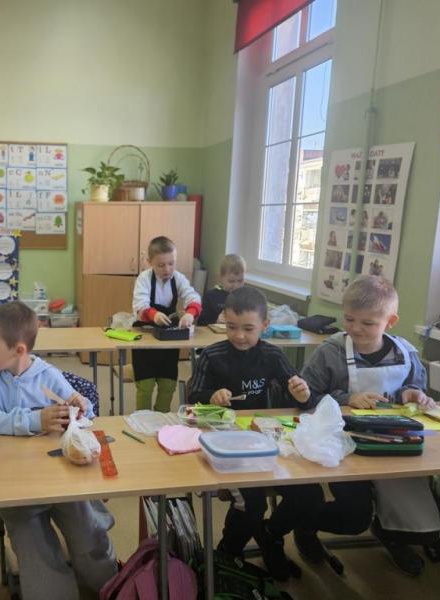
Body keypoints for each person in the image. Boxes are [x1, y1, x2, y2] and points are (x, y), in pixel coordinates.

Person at [0, 302, 117, 599]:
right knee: (32, 545)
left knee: (87, 533)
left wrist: (80, 407)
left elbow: (82, 416)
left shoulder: (47, 375)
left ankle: (112, 586)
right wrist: (34, 420)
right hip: (14, 483)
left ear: (18, 350)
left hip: (59, 479)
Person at [301, 275, 440, 576]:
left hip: (393, 444)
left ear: (390, 322)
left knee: (412, 509)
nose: (355, 328)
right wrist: (347, 398)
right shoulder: (330, 352)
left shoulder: (406, 353)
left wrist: (412, 393)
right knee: (355, 517)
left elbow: (415, 387)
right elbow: (305, 397)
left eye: (368, 323)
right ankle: (304, 525)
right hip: (346, 445)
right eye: (349, 319)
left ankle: (392, 535)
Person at [189, 286, 320, 580]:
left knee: (309, 494)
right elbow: (193, 396)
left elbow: (303, 399)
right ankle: (228, 554)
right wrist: (211, 396)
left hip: (267, 440)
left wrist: (303, 395)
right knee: (252, 503)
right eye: (232, 327)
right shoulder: (212, 355)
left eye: (248, 329)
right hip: (225, 443)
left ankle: (270, 534)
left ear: (265, 325)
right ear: (224, 321)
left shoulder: (272, 355)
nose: (239, 336)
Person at [132, 236, 201, 412]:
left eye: (171, 263)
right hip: (145, 340)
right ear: (149, 262)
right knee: (145, 386)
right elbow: (140, 305)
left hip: (168, 341)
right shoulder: (144, 279)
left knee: (168, 385)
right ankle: (143, 419)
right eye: (161, 265)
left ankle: (161, 420)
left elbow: (193, 298)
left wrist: (190, 314)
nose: (167, 269)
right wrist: (153, 315)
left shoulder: (178, 278)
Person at [198, 253, 246, 325]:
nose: (236, 286)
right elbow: (201, 323)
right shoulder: (210, 296)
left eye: (240, 281)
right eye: (231, 281)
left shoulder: (246, 297)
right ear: (221, 278)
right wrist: (216, 321)